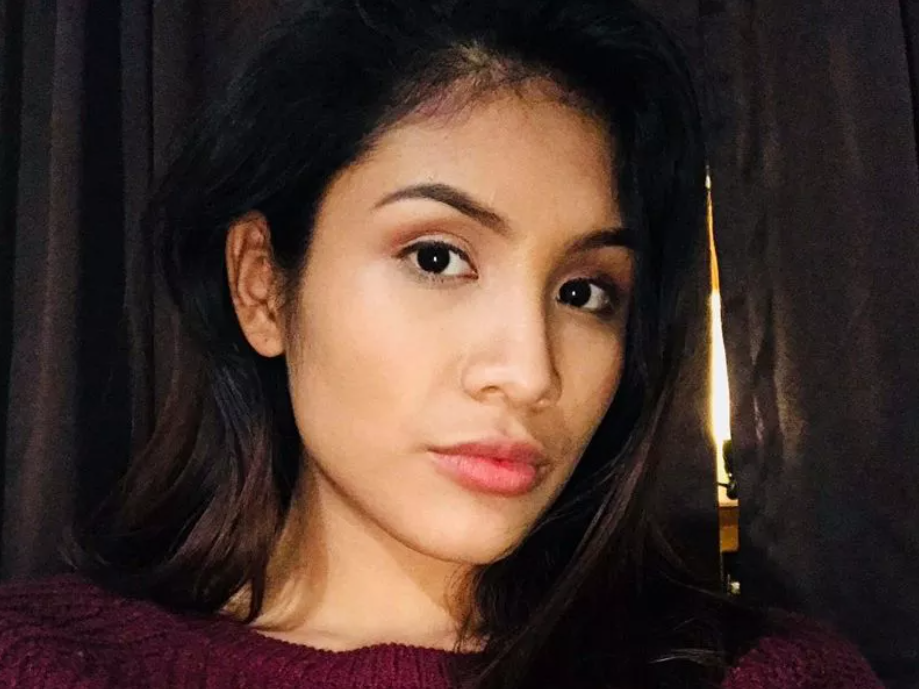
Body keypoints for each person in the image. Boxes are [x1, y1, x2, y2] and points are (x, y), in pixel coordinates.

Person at [0, 0, 883, 687]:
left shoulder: (765, 677)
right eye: (436, 257)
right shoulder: (40, 663)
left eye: (583, 292)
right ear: (262, 285)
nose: (528, 372)